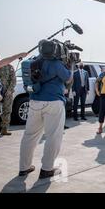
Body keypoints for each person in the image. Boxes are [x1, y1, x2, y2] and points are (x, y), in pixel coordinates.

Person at [18, 43, 73, 179]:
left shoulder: (34, 62)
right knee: (53, 136)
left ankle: (24, 167)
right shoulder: (56, 64)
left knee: (29, 135)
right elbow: (69, 78)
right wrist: (70, 65)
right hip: (53, 102)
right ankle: (47, 169)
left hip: (34, 101)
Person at [0, 63, 16, 137]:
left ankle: (4, 129)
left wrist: (9, 90)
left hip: (8, 92)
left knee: (7, 110)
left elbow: (13, 80)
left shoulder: (9, 66)